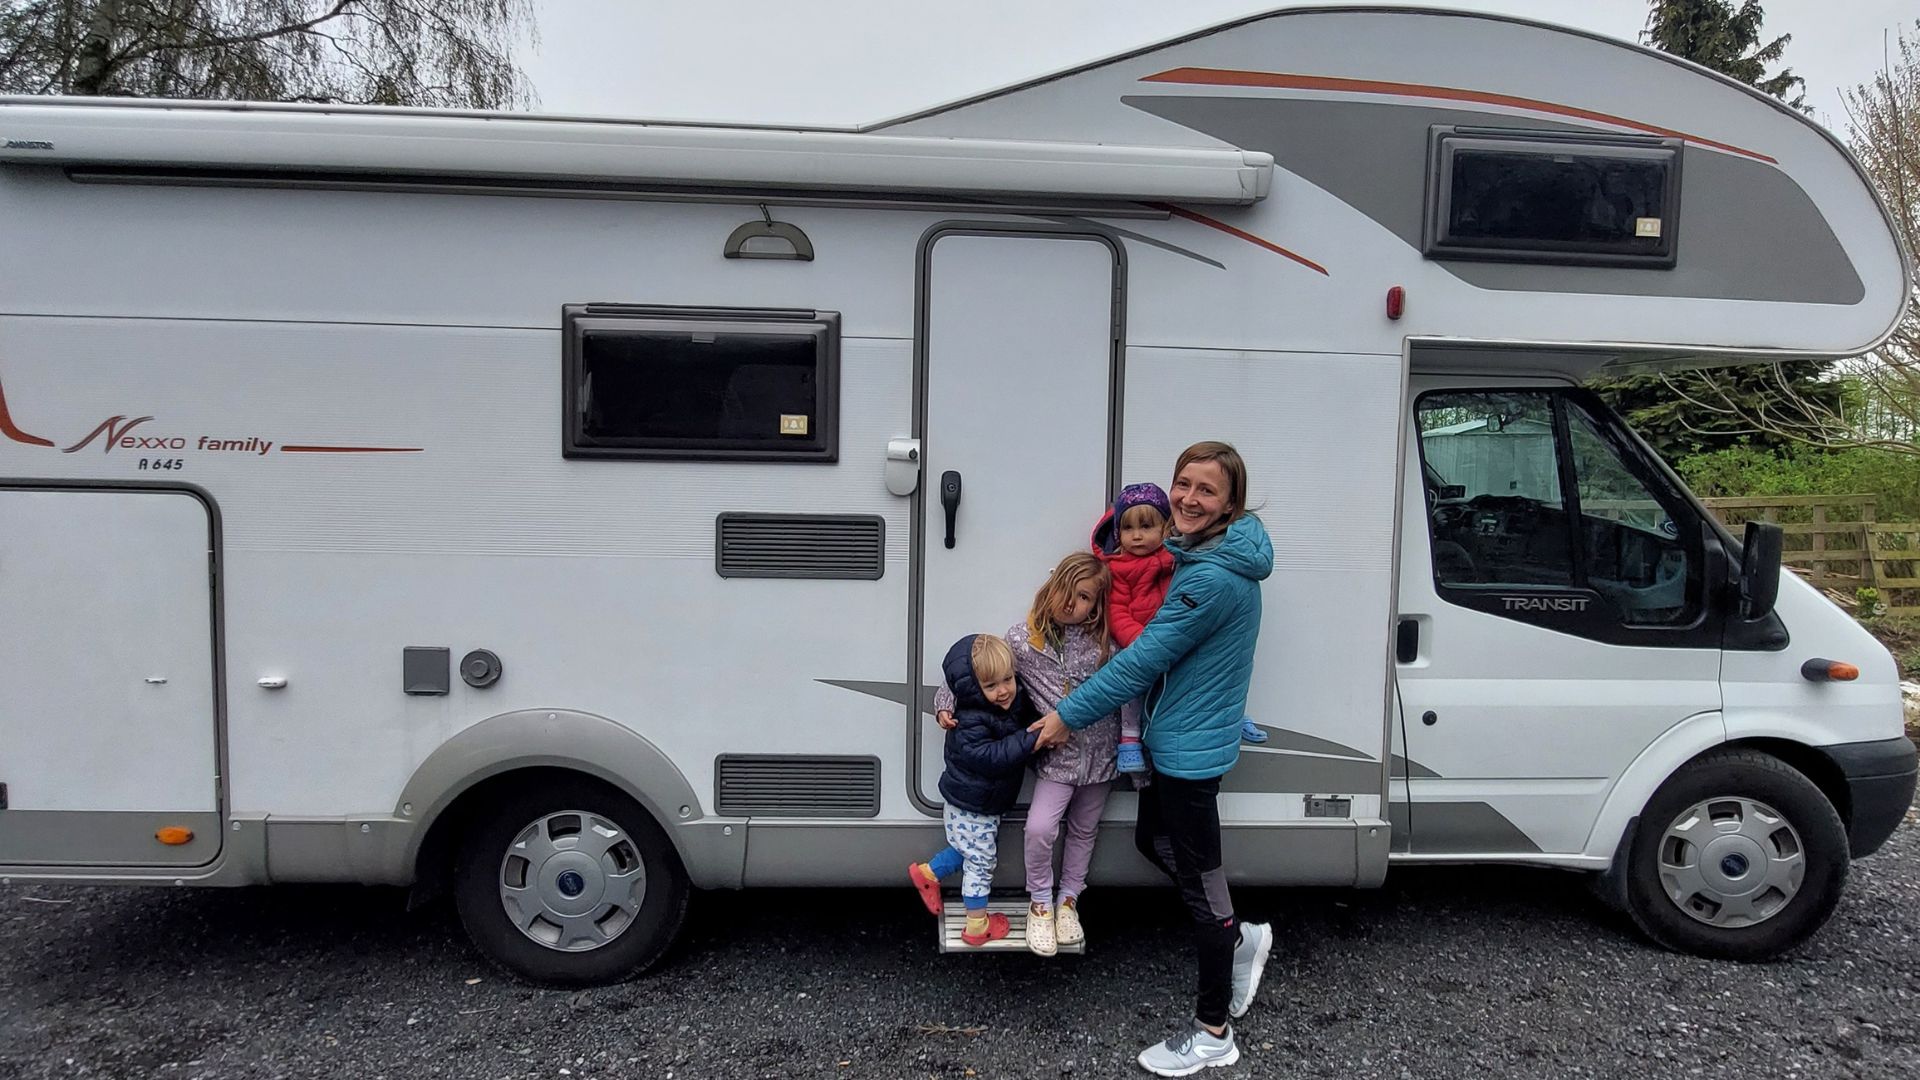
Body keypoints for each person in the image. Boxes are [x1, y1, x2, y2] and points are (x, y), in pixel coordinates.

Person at [1030, 440, 1276, 1077]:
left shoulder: (1213, 578)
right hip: (1180, 741)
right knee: (1149, 839)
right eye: (1184, 485)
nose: (1191, 499)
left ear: (1230, 504)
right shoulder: (1201, 558)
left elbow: (1142, 659)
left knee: (1203, 889)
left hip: (1191, 756)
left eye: (1208, 490)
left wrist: (1064, 716)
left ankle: (1213, 1030)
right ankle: (1241, 937)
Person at [935, 552, 1120, 956]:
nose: (1071, 604)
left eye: (1085, 597)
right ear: (1050, 589)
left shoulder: (1105, 643)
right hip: (1058, 759)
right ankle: (1039, 902)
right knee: (1039, 828)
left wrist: (1131, 747)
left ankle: (1068, 900)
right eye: (1065, 593)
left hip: (1101, 756)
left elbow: (1129, 689)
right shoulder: (1023, 640)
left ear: (1097, 606)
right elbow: (980, 669)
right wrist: (946, 698)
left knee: (1085, 830)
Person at [909, 633, 1039, 946]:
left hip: (976, 803)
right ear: (973, 689)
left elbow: (1021, 712)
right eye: (991, 686)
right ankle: (977, 926)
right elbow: (991, 758)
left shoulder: (1003, 705)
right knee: (981, 862)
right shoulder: (968, 720)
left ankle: (928, 874)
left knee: (966, 850)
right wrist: (1033, 738)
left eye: (1008, 679)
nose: (1004, 691)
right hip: (972, 804)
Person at [1089, 482, 1176, 774]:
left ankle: (1232, 717)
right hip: (1137, 641)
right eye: (1128, 529)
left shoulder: (1175, 560)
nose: (1137, 536)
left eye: (1147, 526)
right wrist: (1138, 641)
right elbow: (1117, 611)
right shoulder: (1117, 569)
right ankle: (1129, 738)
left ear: (1166, 527)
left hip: (1172, 639)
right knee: (1130, 682)